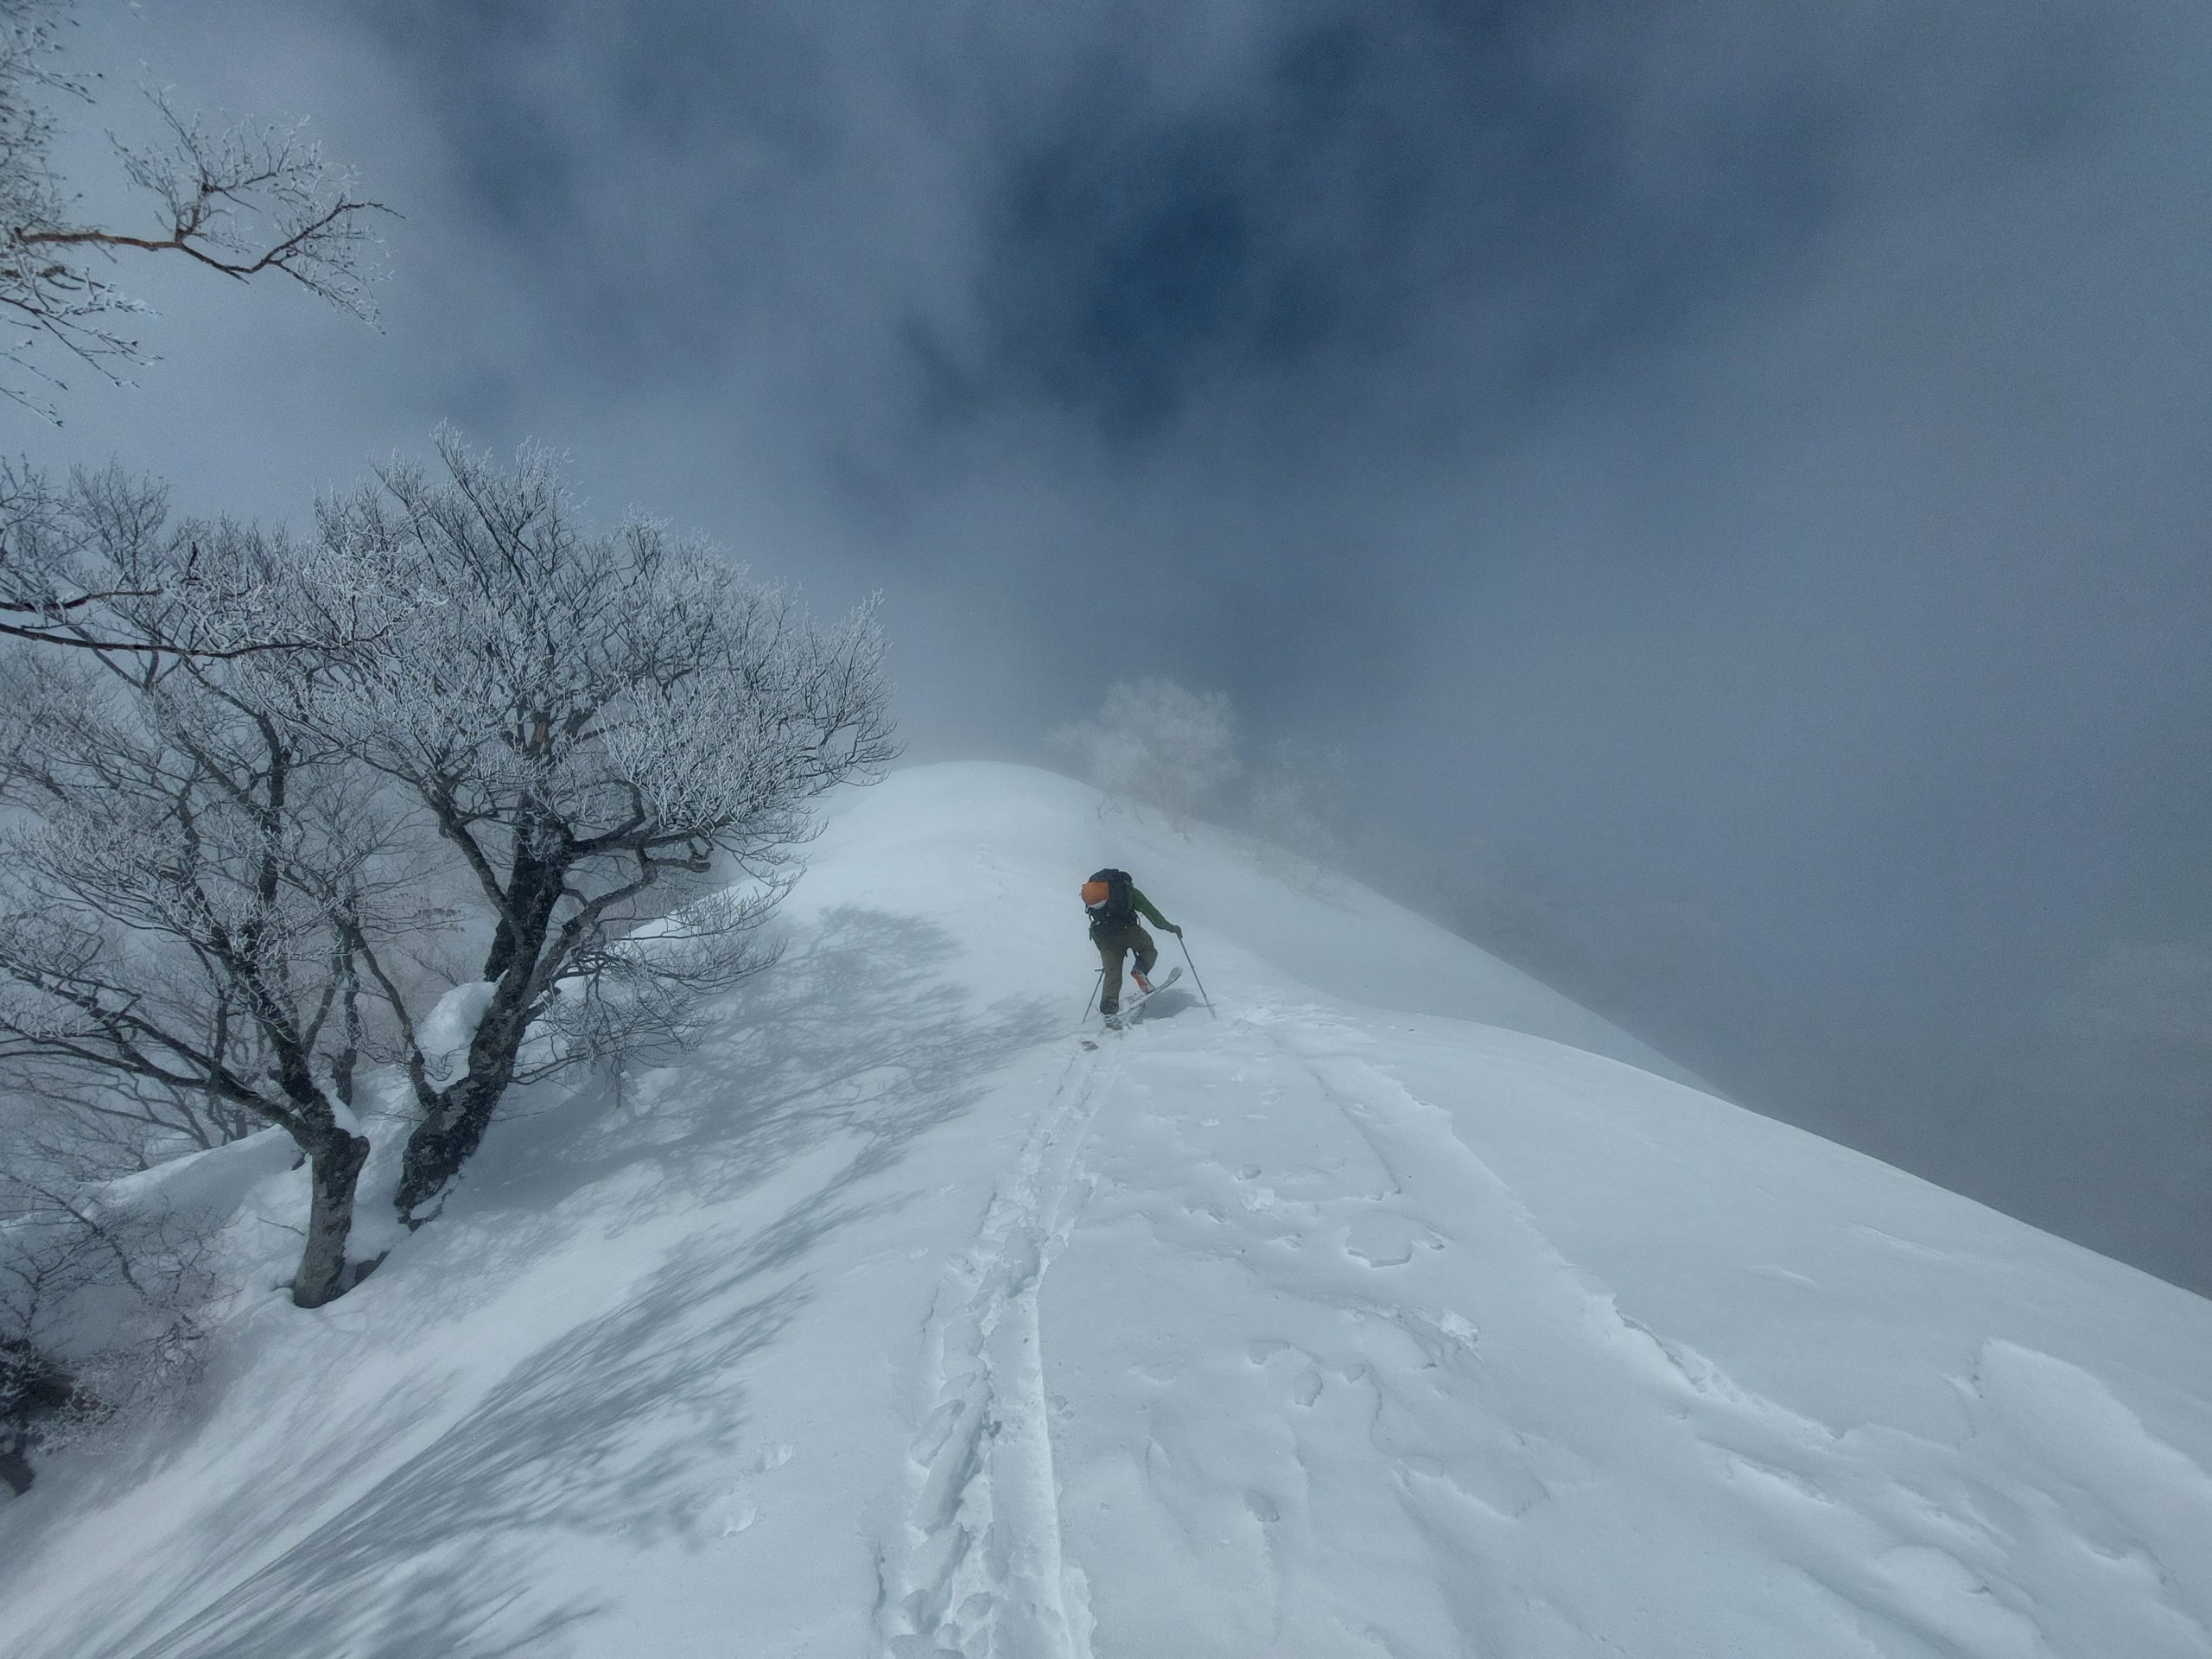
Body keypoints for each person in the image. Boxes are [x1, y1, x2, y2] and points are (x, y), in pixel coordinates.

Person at [1082, 868, 1180, 1029]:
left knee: (1112, 973)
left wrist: (1103, 953)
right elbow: (1152, 914)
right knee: (1148, 949)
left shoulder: (1097, 898)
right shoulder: (1130, 892)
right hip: (1130, 931)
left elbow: (1095, 926)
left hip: (1106, 939)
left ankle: (1109, 1011)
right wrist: (1170, 927)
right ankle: (1139, 970)